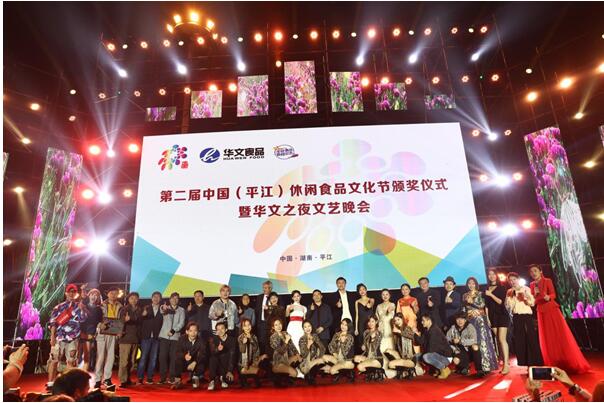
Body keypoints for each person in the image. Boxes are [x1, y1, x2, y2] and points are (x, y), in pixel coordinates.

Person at [529, 264, 590, 374]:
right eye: (531, 272)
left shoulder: (547, 281)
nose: (533, 273)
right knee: (547, 337)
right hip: (541, 311)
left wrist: (549, 297)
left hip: (551, 310)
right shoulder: (532, 285)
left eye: (535, 270)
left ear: (540, 271)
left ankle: (568, 360)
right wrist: (535, 296)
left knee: (559, 333)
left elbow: (553, 294)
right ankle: (553, 362)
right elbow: (534, 300)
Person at [47, 284, 88, 389]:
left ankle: (69, 385)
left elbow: (83, 319)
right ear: (66, 293)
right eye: (70, 292)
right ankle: (50, 384)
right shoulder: (58, 307)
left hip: (73, 338)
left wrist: (82, 309)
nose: (71, 294)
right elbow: (53, 323)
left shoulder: (79, 306)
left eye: (74, 292)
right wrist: (52, 337)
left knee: (71, 361)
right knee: (54, 360)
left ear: (76, 294)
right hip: (59, 337)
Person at [505, 272, 543, 369]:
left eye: (514, 279)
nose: (513, 282)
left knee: (531, 338)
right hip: (517, 317)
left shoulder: (526, 288)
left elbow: (532, 303)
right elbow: (509, 307)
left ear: (518, 279)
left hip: (526, 316)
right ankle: (525, 362)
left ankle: (536, 361)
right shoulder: (509, 291)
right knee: (520, 340)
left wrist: (526, 298)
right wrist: (512, 297)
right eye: (510, 280)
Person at [462, 277, 498, 373]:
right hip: (470, 321)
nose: (471, 285)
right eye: (469, 283)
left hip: (480, 320)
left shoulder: (480, 293)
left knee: (483, 342)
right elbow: (464, 309)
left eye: (473, 283)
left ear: (476, 284)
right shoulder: (465, 295)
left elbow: (482, 305)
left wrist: (472, 302)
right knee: (473, 343)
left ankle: (487, 366)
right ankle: (478, 367)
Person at [94, 286, 122, 389]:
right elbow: (95, 319)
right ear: (108, 294)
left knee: (111, 356)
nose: (113, 295)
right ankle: (98, 379)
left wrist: (119, 331)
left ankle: (107, 378)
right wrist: (99, 325)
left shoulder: (120, 306)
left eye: (115, 293)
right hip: (102, 333)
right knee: (100, 356)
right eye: (111, 293)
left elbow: (121, 320)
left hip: (113, 333)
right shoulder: (100, 305)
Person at [484, 268, 510, 374]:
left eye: (493, 274)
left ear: (496, 276)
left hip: (502, 314)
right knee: (498, 340)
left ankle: (506, 365)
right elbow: (486, 305)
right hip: (492, 316)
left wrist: (490, 294)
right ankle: (503, 360)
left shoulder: (502, 287)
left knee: (502, 339)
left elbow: (500, 301)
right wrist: (487, 318)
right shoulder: (486, 288)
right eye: (489, 274)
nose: (491, 276)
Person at [413, 314, 453, 379]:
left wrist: (422, 358)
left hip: (445, 357)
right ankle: (437, 369)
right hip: (437, 354)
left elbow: (431, 349)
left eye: (423, 321)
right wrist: (415, 334)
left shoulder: (434, 331)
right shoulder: (427, 330)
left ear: (429, 321)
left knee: (425, 357)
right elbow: (421, 342)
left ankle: (444, 369)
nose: (422, 322)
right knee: (416, 356)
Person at [158, 292, 185, 384]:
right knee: (162, 357)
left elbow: (182, 323)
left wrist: (173, 330)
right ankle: (162, 377)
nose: (174, 300)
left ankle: (172, 377)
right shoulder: (166, 308)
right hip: (164, 336)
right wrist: (163, 308)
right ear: (169, 300)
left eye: (176, 298)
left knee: (174, 358)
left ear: (178, 300)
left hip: (175, 337)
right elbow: (162, 310)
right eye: (173, 298)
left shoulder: (181, 310)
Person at [137, 291, 163, 385]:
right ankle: (140, 377)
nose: (156, 298)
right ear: (151, 298)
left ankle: (150, 378)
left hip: (156, 337)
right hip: (146, 337)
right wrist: (142, 315)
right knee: (143, 357)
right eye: (154, 297)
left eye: (158, 297)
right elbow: (139, 321)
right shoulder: (145, 308)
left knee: (153, 358)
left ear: (160, 299)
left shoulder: (162, 309)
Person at [171, 322, 206, 390]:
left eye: (195, 331)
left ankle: (195, 377)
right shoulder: (181, 339)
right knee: (177, 360)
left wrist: (195, 362)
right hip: (184, 362)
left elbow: (203, 354)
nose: (193, 333)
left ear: (198, 332)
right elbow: (177, 352)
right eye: (191, 331)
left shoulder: (201, 341)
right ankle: (177, 381)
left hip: (195, 362)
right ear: (187, 332)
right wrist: (184, 356)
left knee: (202, 362)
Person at [118, 292, 141, 388]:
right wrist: (125, 319)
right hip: (125, 338)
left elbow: (140, 322)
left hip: (135, 338)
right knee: (124, 361)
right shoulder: (124, 309)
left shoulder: (139, 310)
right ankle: (123, 381)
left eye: (136, 298)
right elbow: (120, 321)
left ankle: (127, 379)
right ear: (128, 299)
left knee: (132, 361)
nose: (134, 300)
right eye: (132, 298)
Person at [269, 318, 302, 383]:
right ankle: (279, 375)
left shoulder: (285, 333)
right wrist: (286, 340)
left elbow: (292, 346)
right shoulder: (273, 337)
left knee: (300, 357)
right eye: (276, 325)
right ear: (273, 327)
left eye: (280, 324)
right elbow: (281, 351)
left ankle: (285, 375)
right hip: (278, 363)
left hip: (286, 360)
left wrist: (298, 355)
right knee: (295, 374)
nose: (278, 326)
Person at [237, 318, 267, 388]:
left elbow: (256, 349)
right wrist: (244, 344)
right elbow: (242, 350)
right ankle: (243, 377)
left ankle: (253, 375)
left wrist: (251, 339)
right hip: (243, 365)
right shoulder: (240, 337)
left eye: (249, 325)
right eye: (245, 326)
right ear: (242, 327)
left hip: (252, 361)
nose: (247, 327)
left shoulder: (254, 336)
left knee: (265, 357)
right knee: (259, 372)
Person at [384, 313, 416, 379]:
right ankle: (401, 373)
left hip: (410, 358)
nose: (397, 322)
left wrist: (399, 332)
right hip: (402, 356)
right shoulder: (396, 332)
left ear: (402, 319)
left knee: (391, 364)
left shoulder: (407, 328)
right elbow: (397, 349)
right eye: (395, 320)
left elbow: (412, 336)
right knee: (387, 351)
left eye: (398, 319)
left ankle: (410, 369)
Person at [79, 285, 102, 372]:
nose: (94, 296)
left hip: (90, 333)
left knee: (87, 353)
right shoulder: (83, 305)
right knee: (77, 354)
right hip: (80, 332)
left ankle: (83, 372)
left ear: (98, 298)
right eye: (92, 294)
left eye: (96, 295)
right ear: (89, 295)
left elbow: (98, 321)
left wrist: (95, 333)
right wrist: (83, 289)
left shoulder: (99, 309)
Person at [353, 315, 383, 380]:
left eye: (372, 321)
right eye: (369, 321)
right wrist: (363, 346)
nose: (370, 323)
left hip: (376, 358)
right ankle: (372, 372)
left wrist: (372, 337)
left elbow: (375, 346)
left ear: (376, 322)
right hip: (368, 356)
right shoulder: (366, 332)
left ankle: (375, 371)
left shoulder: (379, 333)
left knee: (360, 367)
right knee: (355, 358)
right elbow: (365, 346)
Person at [208, 322, 236, 391]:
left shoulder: (232, 340)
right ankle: (212, 380)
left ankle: (222, 378)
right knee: (212, 358)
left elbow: (232, 356)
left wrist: (230, 371)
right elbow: (212, 351)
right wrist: (217, 349)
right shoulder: (213, 339)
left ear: (226, 329)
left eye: (222, 329)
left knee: (230, 380)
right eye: (218, 329)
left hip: (226, 364)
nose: (220, 331)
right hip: (217, 364)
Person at [375, 289, 396, 378]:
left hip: (389, 329)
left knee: (390, 348)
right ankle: (383, 368)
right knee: (381, 349)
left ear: (389, 295)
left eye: (387, 294)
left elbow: (391, 314)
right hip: (381, 329)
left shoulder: (392, 305)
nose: (385, 296)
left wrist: (388, 311)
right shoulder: (378, 306)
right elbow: (377, 318)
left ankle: (391, 367)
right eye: (383, 294)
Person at [354, 283, 375, 353]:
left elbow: (371, 304)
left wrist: (370, 305)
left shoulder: (371, 299)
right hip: (361, 324)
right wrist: (356, 328)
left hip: (370, 323)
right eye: (360, 290)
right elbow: (357, 315)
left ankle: (371, 355)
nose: (362, 291)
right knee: (362, 341)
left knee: (371, 339)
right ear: (358, 292)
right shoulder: (357, 302)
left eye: (363, 289)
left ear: (366, 290)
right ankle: (364, 356)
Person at [254, 280, 274, 354]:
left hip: (271, 324)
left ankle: (271, 358)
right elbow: (257, 311)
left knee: (271, 342)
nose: (266, 289)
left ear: (271, 288)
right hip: (261, 324)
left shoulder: (275, 297)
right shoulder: (259, 297)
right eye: (264, 288)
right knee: (261, 342)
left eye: (268, 287)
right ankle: (263, 358)